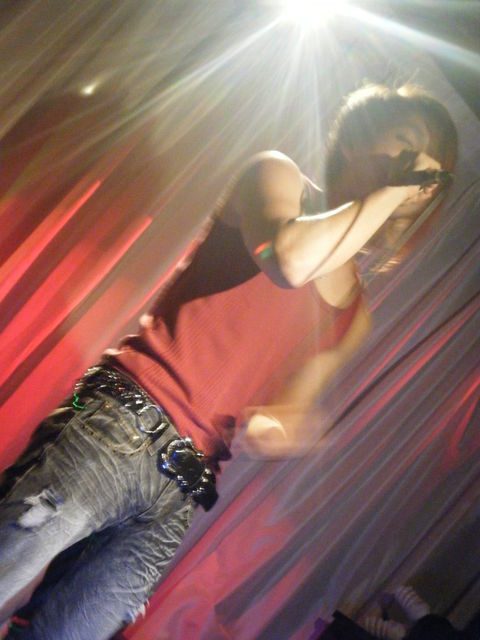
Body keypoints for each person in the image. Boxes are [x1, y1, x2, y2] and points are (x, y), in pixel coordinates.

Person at [0, 83, 457, 640]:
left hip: (182, 491)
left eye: (427, 167)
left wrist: (289, 429)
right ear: (357, 137)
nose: (415, 164)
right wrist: (390, 191)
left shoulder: (354, 313)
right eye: (406, 140)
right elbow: (288, 261)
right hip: (118, 426)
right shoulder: (277, 177)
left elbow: (281, 412)